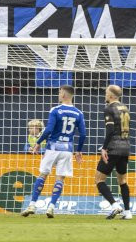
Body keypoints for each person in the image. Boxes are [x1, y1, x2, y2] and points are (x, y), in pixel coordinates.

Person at [22, 84, 87, 219]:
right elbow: (83, 134)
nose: (58, 95)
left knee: (43, 175)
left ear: (63, 94)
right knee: (60, 178)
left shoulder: (56, 110)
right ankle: (51, 206)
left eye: (59, 92)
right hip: (67, 149)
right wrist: (79, 150)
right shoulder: (79, 113)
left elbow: (49, 130)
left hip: (52, 148)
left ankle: (32, 205)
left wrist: (38, 143)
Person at [94, 84, 132, 220]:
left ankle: (115, 205)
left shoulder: (109, 108)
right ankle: (127, 212)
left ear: (111, 95)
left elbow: (110, 130)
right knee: (122, 180)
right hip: (125, 147)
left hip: (113, 148)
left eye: (106, 93)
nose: (105, 95)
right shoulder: (125, 108)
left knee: (99, 179)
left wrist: (104, 148)